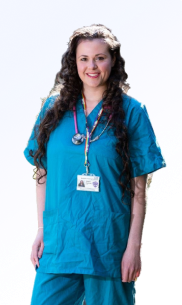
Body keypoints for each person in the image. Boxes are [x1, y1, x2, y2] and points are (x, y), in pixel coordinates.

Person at [23, 24, 166, 305]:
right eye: (84, 58)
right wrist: (41, 230)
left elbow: (139, 188)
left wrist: (133, 247)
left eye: (100, 57)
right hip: (60, 244)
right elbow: (42, 173)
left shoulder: (133, 112)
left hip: (109, 245)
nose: (92, 66)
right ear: (73, 63)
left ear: (113, 61)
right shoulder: (53, 110)